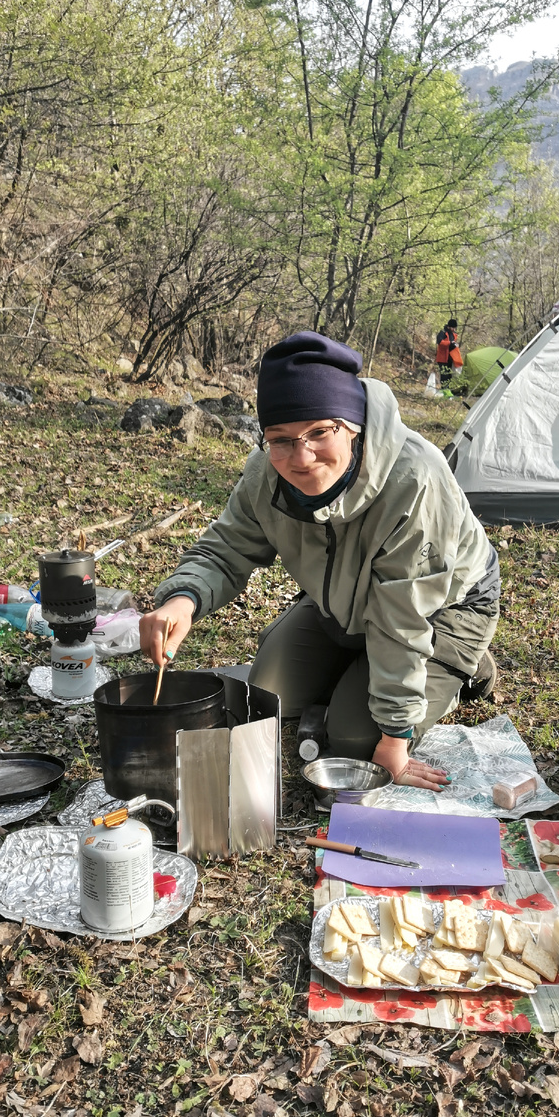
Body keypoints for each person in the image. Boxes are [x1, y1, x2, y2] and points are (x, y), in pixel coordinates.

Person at [139, 331, 500, 792]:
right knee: (268, 697)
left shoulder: (415, 481)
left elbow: (403, 621)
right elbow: (225, 547)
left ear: (351, 425)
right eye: (281, 439)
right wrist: (183, 599)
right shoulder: (265, 473)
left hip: (440, 611)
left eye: (319, 433)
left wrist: (394, 740)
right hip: (344, 604)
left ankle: (466, 665)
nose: (301, 456)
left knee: (353, 742)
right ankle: (359, 671)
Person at [435, 318, 462, 390]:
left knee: (450, 375)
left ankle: (448, 390)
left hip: (450, 358)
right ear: (449, 326)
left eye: (455, 328)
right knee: (444, 375)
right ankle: (444, 390)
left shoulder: (454, 334)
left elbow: (451, 345)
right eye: (453, 327)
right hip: (442, 358)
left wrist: (455, 345)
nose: (454, 329)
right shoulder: (442, 333)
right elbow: (440, 342)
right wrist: (450, 343)